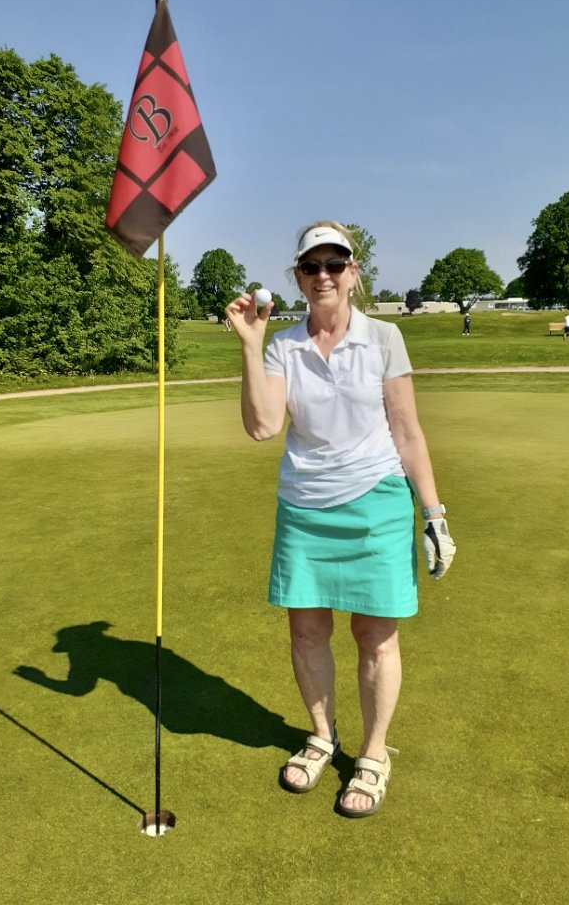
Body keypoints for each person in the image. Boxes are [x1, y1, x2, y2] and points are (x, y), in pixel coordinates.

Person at [225, 221, 456, 818]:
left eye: (336, 264)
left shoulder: (383, 339)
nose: (324, 275)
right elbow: (262, 427)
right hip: (304, 507)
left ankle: (374, 753)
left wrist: (434, 514)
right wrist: (251, 345)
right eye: (312, 266)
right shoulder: (283, 346)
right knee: (306, 632)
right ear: (298, 277)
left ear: (354, 272)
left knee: (374, 636)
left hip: (376, 500)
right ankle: (322, 736)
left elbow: (406, 430)